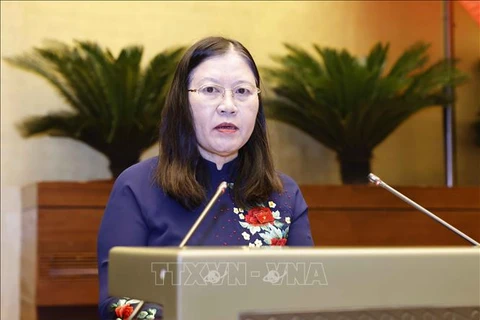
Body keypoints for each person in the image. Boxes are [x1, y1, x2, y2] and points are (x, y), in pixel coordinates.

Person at [97, 36, 314, 320]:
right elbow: (117, 302)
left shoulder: (284, 193)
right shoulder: (137, 186)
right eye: (211, 89)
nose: (228, 105)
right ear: (182, 102)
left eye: (242, 91)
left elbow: (307, 298)